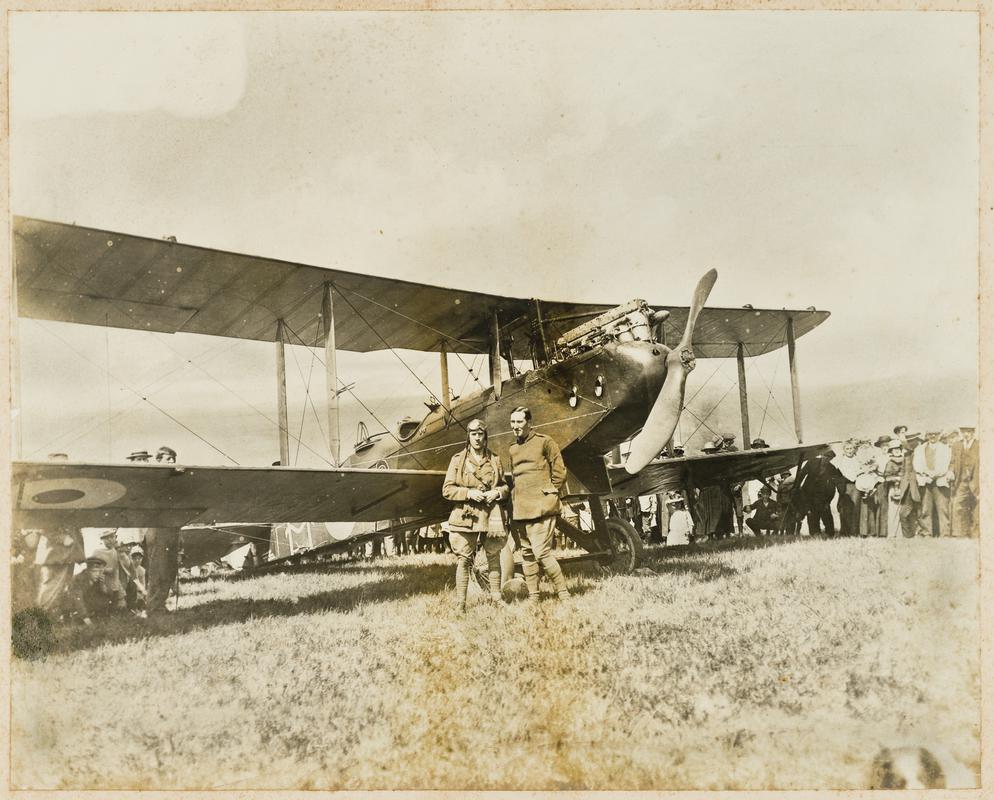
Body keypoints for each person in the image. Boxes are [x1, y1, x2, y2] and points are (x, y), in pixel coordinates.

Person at [442, 419, 511, 611]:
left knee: (494, 557)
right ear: (469, 436)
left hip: (491, 515)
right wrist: (469, 493)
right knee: (464, 559)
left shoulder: (495, 459)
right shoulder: (458, 460)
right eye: (474, 434)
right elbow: (447, 490)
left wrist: (496, 493)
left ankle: (496, 599)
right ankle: (460, 604)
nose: (477, 438)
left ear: (485, 436)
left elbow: (505, 486)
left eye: (480, 434)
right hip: (467, 515)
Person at [508, 406, 570, 602]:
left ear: (529, 422)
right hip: (521, 509)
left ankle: (564, 594)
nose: (515, 426)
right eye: (513, 422)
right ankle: (534, 596)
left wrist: (551, 493)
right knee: (526, 554)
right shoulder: (513, 449)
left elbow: (559, 471)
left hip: (542, 507)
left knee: (541, 552)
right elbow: (516, 478)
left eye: (519, 422)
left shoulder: (545, 442)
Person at [145, 445, 182, 614]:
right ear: (158, 460)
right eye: (168, 459)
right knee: (158, 569)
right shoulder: (153, 479)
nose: (171, 462)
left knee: (169, 569)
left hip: (171, 529)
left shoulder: (172, 481)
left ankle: (160, 603)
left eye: (173, 460)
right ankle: (154, 606)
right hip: (158, 529)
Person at [34, 524, 85, 616]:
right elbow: (43, 525)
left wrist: (80, 554)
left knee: (64, 588)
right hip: (54, 556)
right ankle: (40, 616)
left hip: (70, 556)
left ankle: (55, 616)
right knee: (50, 587)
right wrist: (62, 538)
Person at [876, 441, 918, 538]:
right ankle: (892, 533)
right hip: (894, 488)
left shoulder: (905, 460)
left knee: (903, 509)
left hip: (904, 487)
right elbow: (886, 477)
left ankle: (901, 533)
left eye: (898, 449)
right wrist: (896, 479)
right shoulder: (890, 462)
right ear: (891, 451)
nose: (897, 451)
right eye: (894, 450)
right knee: (893, 510)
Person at [913, 430, 951, 537]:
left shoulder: (945, 448)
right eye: (930, 434)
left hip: (940, 481)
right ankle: (927, 533)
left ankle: (945, 535)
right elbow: (917, 465)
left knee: (943, 509)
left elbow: (946, 464)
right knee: (926, 509)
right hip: (925, 481)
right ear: (926, 435)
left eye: (935, 434)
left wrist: (935, 474)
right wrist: (926, 473)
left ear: (939, 435)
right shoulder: (919, 449)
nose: (933, 436)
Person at [794, 454, 838, 536]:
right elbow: (801, 475)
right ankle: (814, 533)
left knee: (826, 514)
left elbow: (832, 487)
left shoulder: (832, 468)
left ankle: (830, 533)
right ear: (821, 455)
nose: (826, 459)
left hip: (823, 496)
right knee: (811, 514)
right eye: (825, 456)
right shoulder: (811, 462)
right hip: (808, 494)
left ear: (831, 458)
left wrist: (828, 501)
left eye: (829, 458)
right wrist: (796, 488)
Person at [949, 425, 979, 538]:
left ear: (973, 432)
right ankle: (958, 534)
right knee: (957, 505)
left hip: (976, 482)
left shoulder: (979, 445)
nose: (966, 434)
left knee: (976, 507)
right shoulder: (957, 445)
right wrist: (950, 471)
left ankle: (975, 534)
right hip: (961, 481)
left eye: (968, 432)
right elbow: (952, 462)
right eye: (964, 432)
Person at [90, 529, 129, 612]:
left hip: (115, 584)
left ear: (115, 538)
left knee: (121, 608)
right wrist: (105, 570)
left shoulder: (117, 551)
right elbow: (92, 567)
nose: (110, 540)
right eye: (107, 538)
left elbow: (127, 564)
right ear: (103, 539)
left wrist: (121, 552)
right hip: (101, 584)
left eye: (112, 537)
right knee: (102, 609)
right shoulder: (97, 552)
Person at [831, 439, 862, 536]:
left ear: (854, 449)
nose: (849, 451)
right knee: (843, 509)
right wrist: (839, 483)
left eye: (851, 448)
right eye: (847, 449)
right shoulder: (840, 460)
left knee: (855, 508)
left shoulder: (858, 459)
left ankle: (854, 532)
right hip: (844, 487)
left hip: (856, 486)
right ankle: (844, 532)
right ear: (844, 450)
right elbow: (832, 471)